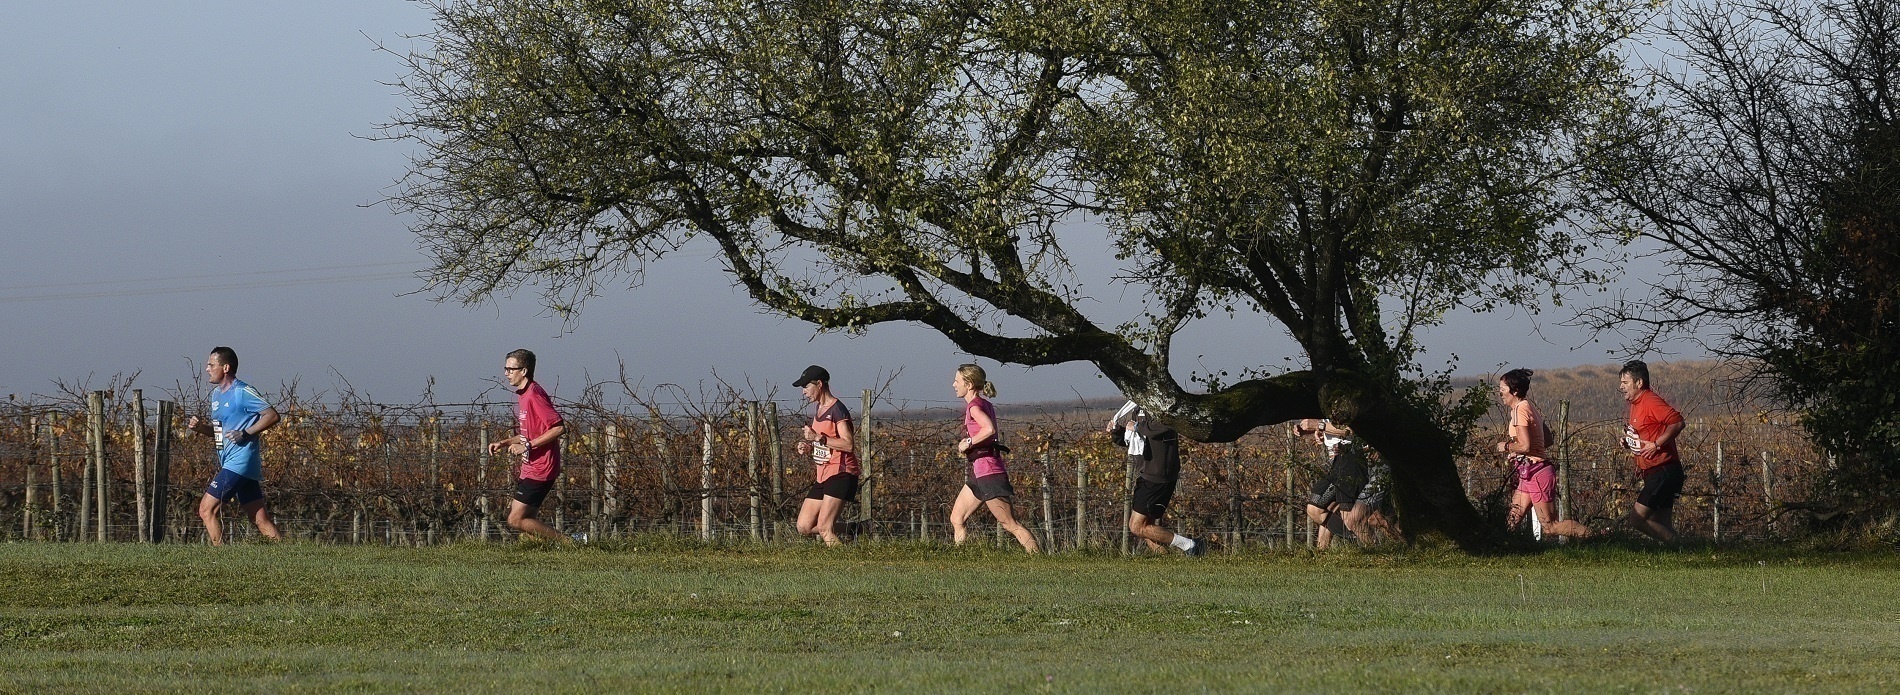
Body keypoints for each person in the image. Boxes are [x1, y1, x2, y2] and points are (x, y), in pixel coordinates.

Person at [187, 346, 283, 545]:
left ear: (226, 367)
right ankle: (286, 554)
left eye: (211, 365)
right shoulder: (215, 396)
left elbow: (272, 415)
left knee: (206, 509)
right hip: (231, 462)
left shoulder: (242, 392)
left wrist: (246, 432)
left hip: (240, 461)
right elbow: (219, 434)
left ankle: (221, 558)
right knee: (258, 518)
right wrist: (201, 428)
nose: (207, 369)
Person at [947, 364, 1039, 553]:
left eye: (957, 381)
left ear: (969, 384)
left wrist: (968, 442)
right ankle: (959, 558)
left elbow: (989, 429)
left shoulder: (974, 407)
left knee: (1010, 524)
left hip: (989, 472)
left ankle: (1039, 560)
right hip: (979, 473)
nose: (954, 384)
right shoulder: (983, 404)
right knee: (957, 518)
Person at [1494, 368, 1593, 540]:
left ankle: (1596, 536)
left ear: (1514, 391)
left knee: (1550, 527)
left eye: (1502, 389)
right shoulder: (1528, 406)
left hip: (1537, 473)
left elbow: (1525, 445)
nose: (1500, 393)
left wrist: (1508, 446)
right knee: (1511, 521)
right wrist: (1520, 453)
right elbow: (1546, 439)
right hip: (1529, 472)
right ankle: (1501, 552)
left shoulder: (1519, 410)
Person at [487, 349, 568, 542]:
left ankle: (569, 543)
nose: (506, 373)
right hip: (530, 466)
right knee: (525, 518)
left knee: (515, 520)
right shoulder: (523, 394)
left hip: (542, 468)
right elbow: (530, 431)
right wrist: (505, 442)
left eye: (510, 369)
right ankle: (546, 548)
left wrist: (528, 446)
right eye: (505, 368)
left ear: (524, 370)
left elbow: (558, 428)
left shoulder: (534, 395)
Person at [1107, 400, 1203, 556]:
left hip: (1158, 475)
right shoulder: (1136, 408)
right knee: (1146, 527)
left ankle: (1190, 545)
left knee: (1137, 527)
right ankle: (1166, 561)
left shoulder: (1161, 404)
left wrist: (1137, 427)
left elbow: (1164, 426)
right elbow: (1135, 440)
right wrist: (1117, 431)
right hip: (1147, 473)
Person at [1619, 360, 1686, 542]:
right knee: (1661, 524)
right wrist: (1630, 442)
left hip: (1663, 469)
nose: (1621, 387)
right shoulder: (1635, 403)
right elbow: (1646, 431)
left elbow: (1678, 422)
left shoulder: (1650, 401)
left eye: (1625, 383)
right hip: (1653, 470)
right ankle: (1680, 558)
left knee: (1637, 519)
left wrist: (1656, 444)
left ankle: (1682, 547)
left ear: (1639, 383)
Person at [792, 365, 858, 546]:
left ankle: (850, 569)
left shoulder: (837, 410)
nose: (803, 392)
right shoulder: (819, 409)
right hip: (824, 474)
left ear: (819, 384)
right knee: (804, 527)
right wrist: (809, 447)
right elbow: (825, 444)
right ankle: (856, 529)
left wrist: (818, 438)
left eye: (806, 387)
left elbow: (848, 444)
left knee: (824, 528)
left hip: (841, 472)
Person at [1298, 419, 1369, 550]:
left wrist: (1319, 426)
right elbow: (1330, 426)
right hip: (1337, 461)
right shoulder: (1326, 403)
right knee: (1316, 508)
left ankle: (1374, 549)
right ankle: (1323, 553)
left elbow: (1349, 429)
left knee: (1350, 518)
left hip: (1352, 458)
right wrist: (1316, 431)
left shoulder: (1344, 401)